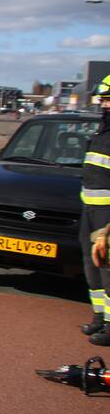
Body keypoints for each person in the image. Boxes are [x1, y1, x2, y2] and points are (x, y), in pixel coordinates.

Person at [81, 74, 110, 346]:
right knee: (91, 265)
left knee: (107, 268)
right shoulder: (102, 131)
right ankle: (99, 317)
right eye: (102, 99)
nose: (103, 104)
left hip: (107, 216)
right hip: (90, 210)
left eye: (108, 99)